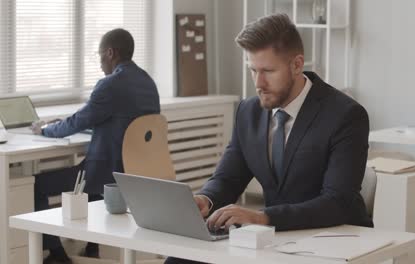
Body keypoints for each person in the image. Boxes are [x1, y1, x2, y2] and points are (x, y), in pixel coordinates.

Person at [165, 13, 372, 264]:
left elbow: (337, 202)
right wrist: (205, 200)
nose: (258, 82)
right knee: (180, 260)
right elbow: (228, 178)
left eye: (268, 71)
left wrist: (262, 217)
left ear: (297, 65)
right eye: (253, 70)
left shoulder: (346, 115)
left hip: (332, 240)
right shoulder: (247, 112)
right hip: (273, 240)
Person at [31, 28, 160, 264]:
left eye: (100, 56)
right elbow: (121, 124)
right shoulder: (148, 83)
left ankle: (56, 254)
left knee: (38, 184)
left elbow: (80, 120)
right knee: (90, 186)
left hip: (108, 174)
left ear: (110, 53)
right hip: (138, 171)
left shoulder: (110, 84)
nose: (100, 63)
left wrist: (46, 130)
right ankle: (92, 249)